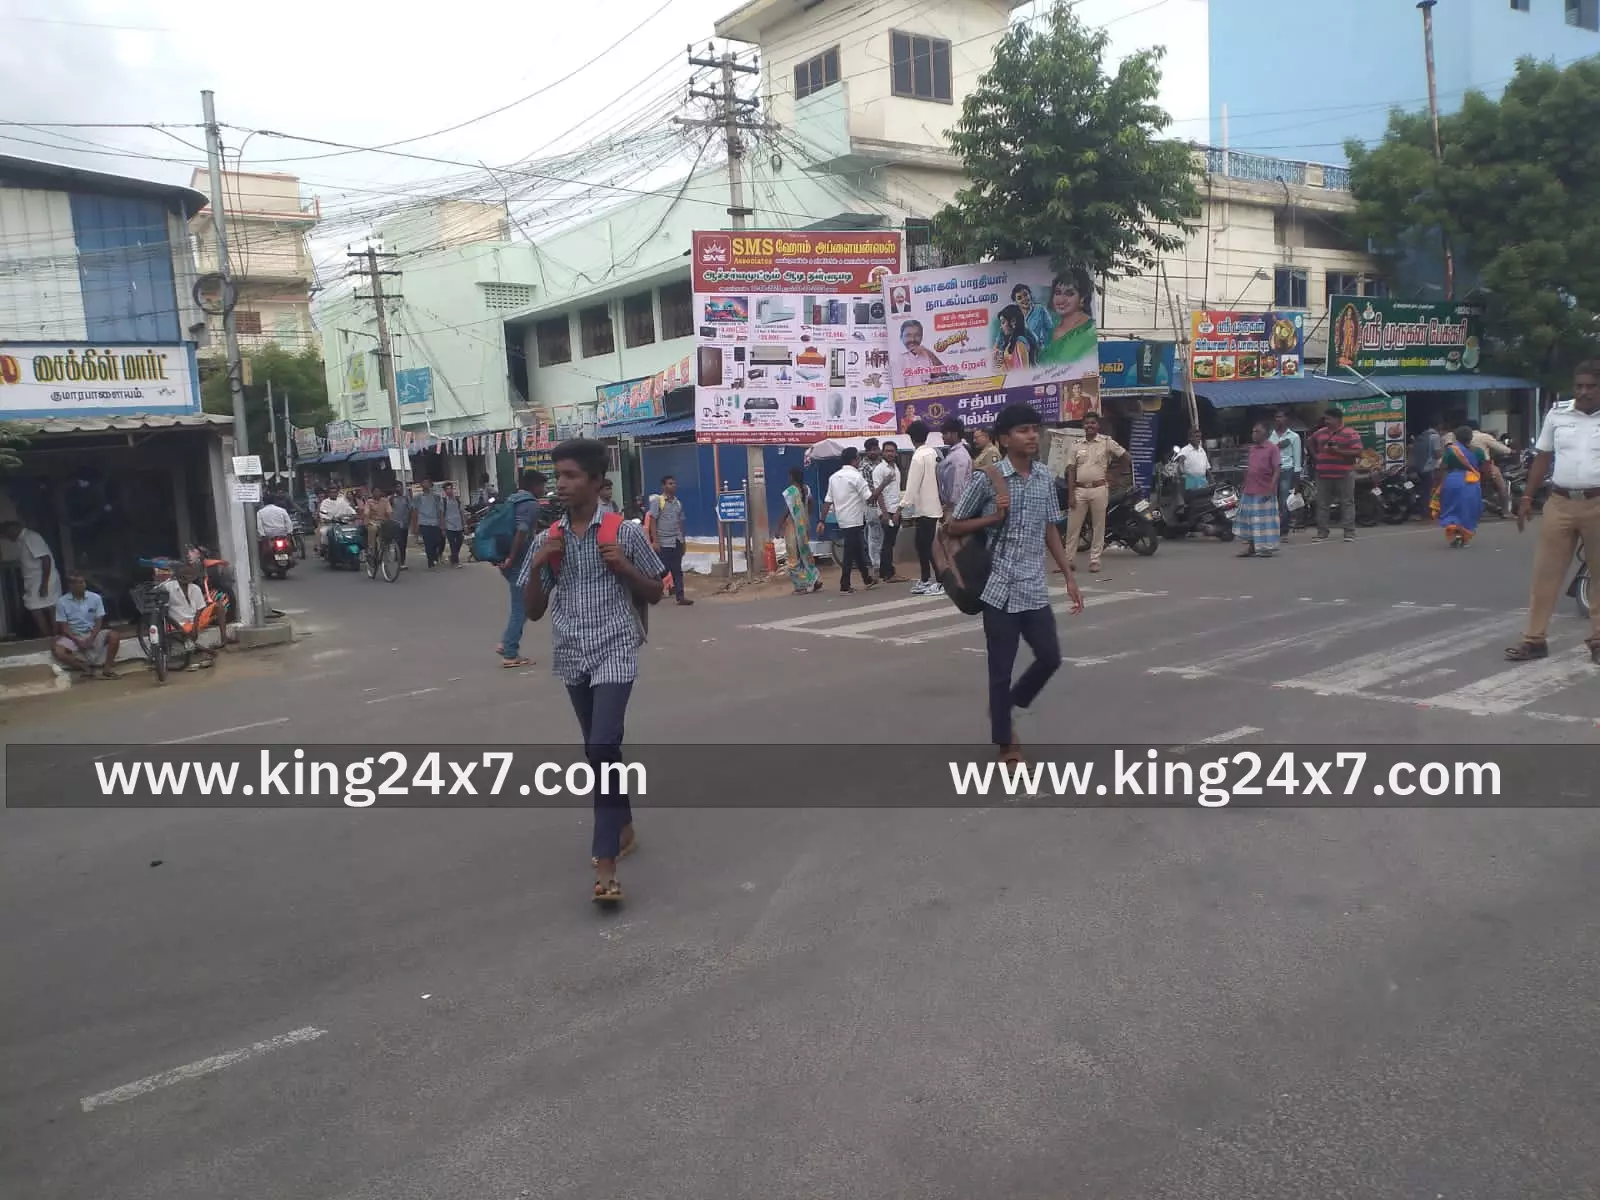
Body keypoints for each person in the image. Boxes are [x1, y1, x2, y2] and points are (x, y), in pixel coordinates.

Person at [520, 438, 665, 903]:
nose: (561, 484)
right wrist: (540, 564)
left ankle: (605, 862)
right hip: (571, 651)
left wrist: (623, 567)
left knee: (602, 742)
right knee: (598, 749)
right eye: (558, 476)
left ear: (598, 483)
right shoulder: (548, 540)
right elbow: (535, 611)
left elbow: (657, 592)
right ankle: (621, 823)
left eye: (571, 476)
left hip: (616, 647)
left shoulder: (624, 533)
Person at [947, 403, 1084, 764]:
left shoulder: (1043, 478)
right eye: (1023, 430)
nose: (1031, 436)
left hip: (1034, 587)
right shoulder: (988, 478)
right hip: (998, 589)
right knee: (1000, 669)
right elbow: (953, 525)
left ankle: (1008, 705)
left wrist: (1068, 576)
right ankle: (1007, 741)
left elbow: (1050, 528)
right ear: (1004, 439)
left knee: (1050, 657)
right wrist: (992, 517)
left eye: (1034, 429)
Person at [1505, 359, 1600, 664]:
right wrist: (1526, 498)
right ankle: (1534, 640)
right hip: (1559, 502)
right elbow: (1543, 458)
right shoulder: (1558, 413)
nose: (1584, 392)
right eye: (1579, 386)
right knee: (1545, 574)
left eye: (1591, 386)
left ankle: (1597, 642)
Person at [1065, 412, 1129, 573]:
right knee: (1073, 527)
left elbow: (1126, 457)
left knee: (1098, 526)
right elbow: (1071, 470)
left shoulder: (1106, 442)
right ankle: (1068, 560)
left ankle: (1094, 560)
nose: (1090, 426)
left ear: (1097, 425)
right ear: (1083, 426)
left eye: (1093, 423)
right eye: (1087, 423)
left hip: (1099, 489)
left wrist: (1114, 475)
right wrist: (1071, 494)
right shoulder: (1076, 445)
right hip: (1079, 489)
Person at [496, 469, 546, 668]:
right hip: (518, 561)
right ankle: (510, 652)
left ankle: (507, 641)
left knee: (522, 604)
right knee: (522, 606)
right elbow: (521, 532)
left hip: (507, 559)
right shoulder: (531, 504)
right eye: (542, 486)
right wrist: (511, 557)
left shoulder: (512, 500)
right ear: (534, 486)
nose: (543, 490)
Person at [818, 447, 879, 594]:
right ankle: (844, 584)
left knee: (856, 549)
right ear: (854, 460)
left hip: (843, 519)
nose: (859, 461)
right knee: (849, 553)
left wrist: (821, 520)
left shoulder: (834, 477)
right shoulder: (856, 477)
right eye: (858, 458)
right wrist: (882, 486)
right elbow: (869, 498)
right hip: (855, 519)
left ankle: (867, 579)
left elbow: (827, 501)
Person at [1308, 407, 1363, 542]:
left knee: (1347, 503)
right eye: (1325, 418)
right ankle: (1322, 532)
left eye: (1328, 418)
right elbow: (1309, 442)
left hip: (1344, 474)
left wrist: (1338, 452)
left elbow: (1358, 452)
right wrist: (1316, 456)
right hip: (1323, 474)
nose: (1326, 421)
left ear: (1337, 419)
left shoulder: (1350, 433)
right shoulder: (1320, 433)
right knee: (1322, 503)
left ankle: (1349, 533)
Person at [901, 420, 943, 596]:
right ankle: (926, 579)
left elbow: (912, 485)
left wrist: (901, 507)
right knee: (923, 545)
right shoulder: (934, 453)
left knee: (926, 547)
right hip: (934, 508)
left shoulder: (918, 457)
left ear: (911, 438)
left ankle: (940, 581)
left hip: (925, 510)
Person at [0, 520, 61, 638]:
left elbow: (46, 560)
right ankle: (48, 637)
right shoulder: (21, 541)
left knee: (49, 608)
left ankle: (54, 636)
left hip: (44, 579)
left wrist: (44, 584)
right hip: (33, 581)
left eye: (6, 535)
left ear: (12, 529)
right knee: (35, 608)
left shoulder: (31, 537)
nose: (7, 538)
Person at [52, 573, 119, 679]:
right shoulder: (62, 602)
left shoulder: (95, 598)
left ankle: (107, 669)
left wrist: (91, 638)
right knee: (58, 650)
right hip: (73, 636)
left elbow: (99, 622)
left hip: (93, 633)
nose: (82, 585)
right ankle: (85, 668)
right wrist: (77, 640)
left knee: (114, 636)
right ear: (71, 586)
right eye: (78, 583)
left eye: (83, 582)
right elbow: (64, 627)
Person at [161, 562, 224, 669]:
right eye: (182, 575)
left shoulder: (195, 588)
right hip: (178, 623)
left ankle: (224, 639)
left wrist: (195, 626)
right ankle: (202, 651)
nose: (185, 577)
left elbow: (199, 610)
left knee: (219, 606)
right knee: (185, 632)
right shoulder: (167, 587)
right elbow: (163, 610)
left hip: (195, 620)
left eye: (188, 575)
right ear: (176, 575)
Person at [1433, 424, 1486, 548]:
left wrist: (1438, 484)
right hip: (1471, 483)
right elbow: (1484, 469)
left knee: (1452, 509)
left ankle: (1456, 533)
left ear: (1456, 437)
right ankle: (1464, 536)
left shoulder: (1451, 450)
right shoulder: (1478, 451)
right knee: (1467, 510)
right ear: (1471, 437)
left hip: (1452, 481)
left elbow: (1443, 468)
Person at [1237, 421, 1283, 558]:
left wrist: (1271, 488)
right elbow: (1251, 469)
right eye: (1253, 431)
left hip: (1264, 490)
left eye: (1257, 431)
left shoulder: (1272, 448)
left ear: (1266, 434)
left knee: (1265, 522)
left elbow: (1277, 470)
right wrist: (1244, 484)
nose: (1254, 434)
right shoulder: (1252, 449)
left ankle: (1266, 548)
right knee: (1250, 520)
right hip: (1250, 489)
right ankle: (1251, 547)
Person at [646, 475, 693, 607]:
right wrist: (655, 541)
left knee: (677, 570)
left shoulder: (678, 503)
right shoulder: (658, 501)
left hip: (676, 540)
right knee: (663, 569)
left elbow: (680, 521)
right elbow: (653, 521)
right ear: (664, 486)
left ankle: (681, 597)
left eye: (674, 483)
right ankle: (648, 589)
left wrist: (683, 540)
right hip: (664, 541)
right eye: (670, 483)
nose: (673, 486)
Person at [1036, 269, 1098, 367]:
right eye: (1057, 293)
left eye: (1069, 294)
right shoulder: (1050, 330)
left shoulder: (1090, 332)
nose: (1061, 300)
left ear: (1082, 298)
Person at [777, 467, 822, 595]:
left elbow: (787, 510)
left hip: (793, 527)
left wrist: (779, 527)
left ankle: (803, 584)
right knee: (806, 554)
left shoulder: (791, 491)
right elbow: (811, 504)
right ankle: (814, 578)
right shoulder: (807, 489)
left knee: (793, 558)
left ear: (792, 477)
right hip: (804, 526)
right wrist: (806, 517)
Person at [860, 438, 897, 580]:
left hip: (884, 506)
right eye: (872, 449)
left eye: (876, 449)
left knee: (884, 538)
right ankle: (876, 566)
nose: (875, 452)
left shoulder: (883, 465)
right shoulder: (865, 467)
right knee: (875, 537)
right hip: (872, 506)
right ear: (867, 451)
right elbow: (870, 490)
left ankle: (883, 567)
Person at [1270, 409, 1304, 537]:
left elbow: (1297, 458)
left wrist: (1297, 479)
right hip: (1272, 471)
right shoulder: (1270, 435)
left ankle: (1283, 529)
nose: (1278, 419)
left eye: (1281, 417)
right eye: (1276, 417)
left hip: (1286, 470)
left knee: (1284, 501)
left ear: (1287, 419)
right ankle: (1273, 527)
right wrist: (1277, 446)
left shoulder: (1293, 436)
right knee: (1272, 501)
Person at [877, 440, 903, 581]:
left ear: (896, 453)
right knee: (888, 542)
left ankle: (884, 572)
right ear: (883, 452)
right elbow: (878, 492)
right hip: (887, 511)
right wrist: (885, 514)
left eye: (892, 451)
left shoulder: (896, 469)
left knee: (889, 542)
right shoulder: (880, 469)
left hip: (895, 509)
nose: (890, 453)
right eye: (887, 451)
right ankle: (889, 573)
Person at [937, 418, 973, 519]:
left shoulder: (959, 456)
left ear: (955, 434)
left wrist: (952, 509)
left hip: (956, 508)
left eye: (945, 433)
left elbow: (958, 484)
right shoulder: (953, 453)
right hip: (951, 506)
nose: (942, 436)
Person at [1411, 419, 1444, 523]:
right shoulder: (1435, 436)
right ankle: (1426, 514)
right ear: (1439, 425)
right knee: (1428, 492)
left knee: (1423, 491)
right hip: (1429, 467)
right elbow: (1437, 453)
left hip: (1419, 467)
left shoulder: (1421, 436)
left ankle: (1422, 513)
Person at [992, 304, 1039, 370]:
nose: (1001, 327)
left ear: (1013, 321)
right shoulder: (1011, 341)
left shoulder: (1020, 343)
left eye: (1003, 322)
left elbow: (1023, 371)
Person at [412, 479, 446, 568]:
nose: (426, 484)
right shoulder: (417, 498)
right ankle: (430, 560)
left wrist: (442, 524)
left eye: (428, 482)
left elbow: (440, 511)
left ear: (431, 485)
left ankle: (436, 556)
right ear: (421, 485)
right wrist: (415, 526)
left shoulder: (436, 497)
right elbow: (415, 511)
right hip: (424, 523)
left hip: (435, 522)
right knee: (428, 543)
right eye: (424, 483)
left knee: (438, 541)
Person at [441, 482, 467, 566]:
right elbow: (441, 515)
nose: (449, 491)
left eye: (450, 488)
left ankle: (453, 557)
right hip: (449, 526)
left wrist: (465, 525)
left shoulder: (458, 500)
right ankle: (456, 561)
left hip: (458, 525)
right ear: (444, 491)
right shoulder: (444, 501)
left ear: (453, 489)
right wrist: (443, 528)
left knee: (459, 542)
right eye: (447, 489)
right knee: (452, 544)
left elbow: (462, 513)